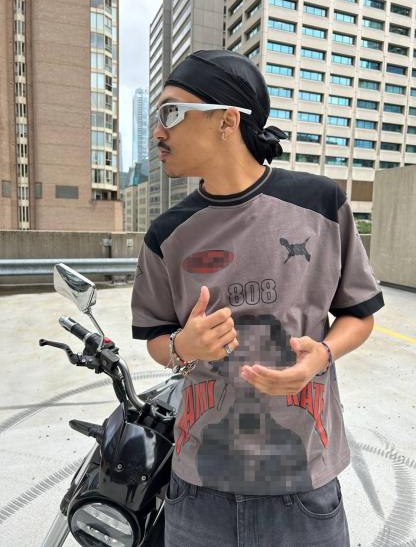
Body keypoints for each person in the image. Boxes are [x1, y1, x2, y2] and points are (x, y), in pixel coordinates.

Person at [131, 49, 384, 547]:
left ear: (227, 120)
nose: (158, 131)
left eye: (171, 113)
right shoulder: (167, 233)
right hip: (198, 489)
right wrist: (183, 347)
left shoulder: (320, 204)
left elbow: (359, 314)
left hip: (303, 484)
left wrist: (322, 355)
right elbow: (156, 338)